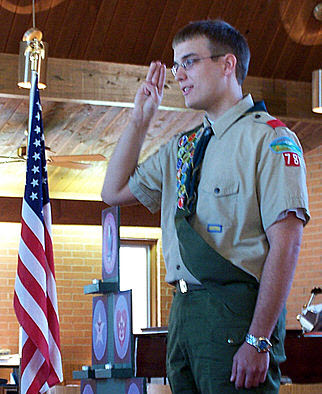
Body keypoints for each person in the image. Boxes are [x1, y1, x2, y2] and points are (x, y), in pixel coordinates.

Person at [101, 19, 310, 393]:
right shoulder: (183, 147)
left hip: (235, 316)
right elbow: (113, 190)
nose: (178, 75)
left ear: (227, 65)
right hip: (183, 315)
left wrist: (259, 339)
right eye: (175, 64)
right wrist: (140, 118)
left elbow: (287, 244)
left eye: (189, 62)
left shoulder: (271, 138)